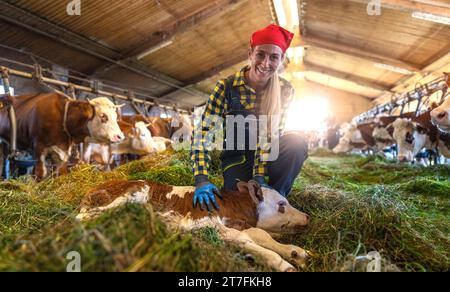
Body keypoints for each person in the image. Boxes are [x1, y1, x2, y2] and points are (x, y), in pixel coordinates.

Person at [191, 24, 308, 211]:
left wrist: (259, 177)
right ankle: (260, 203)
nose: (265, 63)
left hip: (269, 157)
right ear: (250, 54)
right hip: (237, 159)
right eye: (260, 54)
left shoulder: (285, 90)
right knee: (240, 205)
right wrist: (201, 178)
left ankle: (276, 201)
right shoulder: (226, 87)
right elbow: (203, 134)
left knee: (296, 143)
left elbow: (270, 137)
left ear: (281, 59)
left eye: (274, 57)